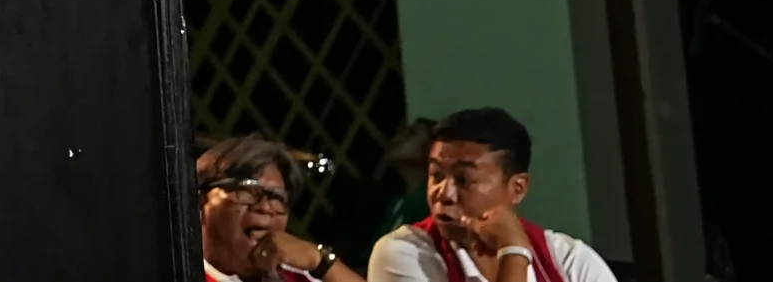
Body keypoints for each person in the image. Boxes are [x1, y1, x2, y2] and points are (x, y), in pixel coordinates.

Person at [364, 108, 619, 282]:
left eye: (463, 180)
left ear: (517, 189)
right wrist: (514, 253)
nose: (444, 194)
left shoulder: (568, 260)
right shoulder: (406, 253)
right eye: (437, 175)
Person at [197, 135, 365, 282]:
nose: (266, 207)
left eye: (277, 197)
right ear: (201, 202)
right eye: (247, 190)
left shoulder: (298, 275)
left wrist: (320, 261)